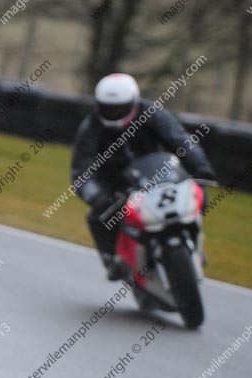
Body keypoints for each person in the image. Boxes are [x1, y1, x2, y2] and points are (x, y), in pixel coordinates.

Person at [71, 73, 216, 280]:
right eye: (108, 108)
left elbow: (180, 139)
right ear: (98, 105)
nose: (114, 113)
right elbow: (81, 170)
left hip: (161, 175)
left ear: (134, 101)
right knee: (98, 217)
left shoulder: (152, 113)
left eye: (119, 107)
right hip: (118, 185)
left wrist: (200, 166)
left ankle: (195, 243)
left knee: (198, 193)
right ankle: (112, 258)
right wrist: (96, 197)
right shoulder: (92, 126)